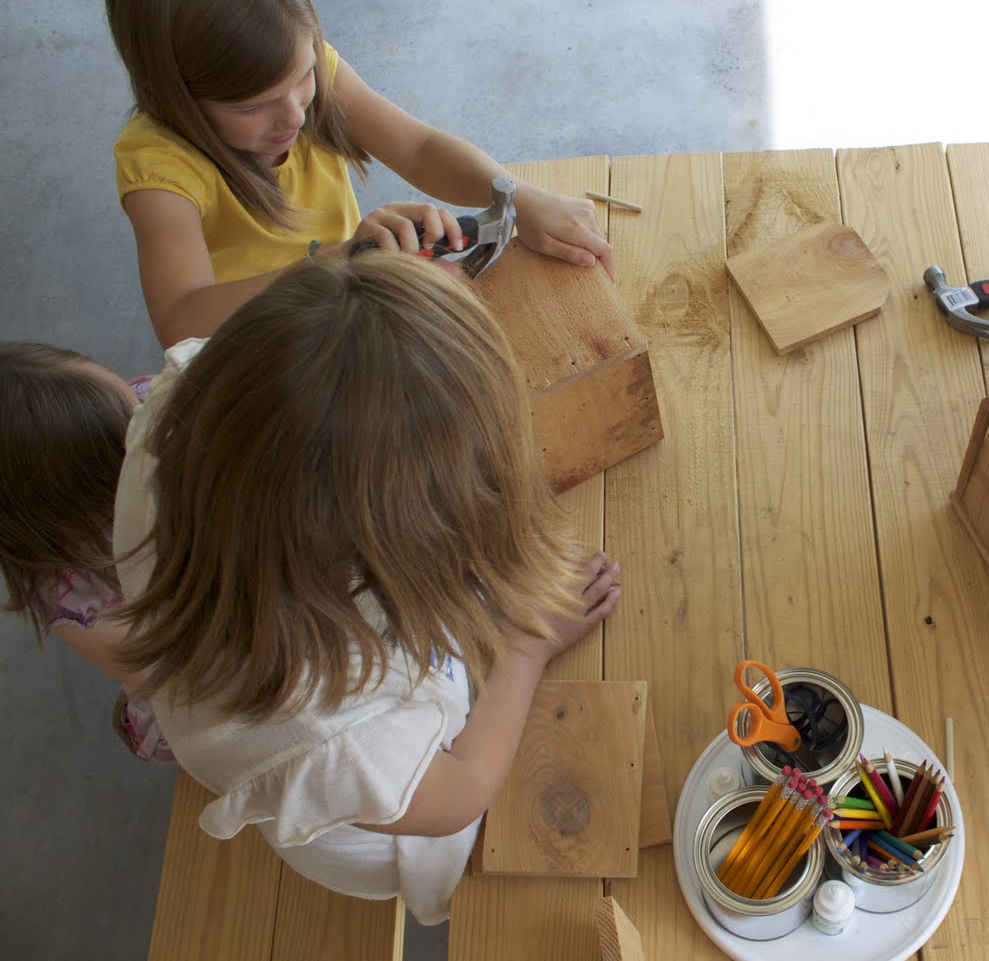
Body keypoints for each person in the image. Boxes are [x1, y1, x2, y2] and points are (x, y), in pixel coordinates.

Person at [112, 250, 621, 924]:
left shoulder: (184, 412)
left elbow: (338, 376)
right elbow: (461, 792)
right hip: (378, 826)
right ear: (381, 546)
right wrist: (526, 648)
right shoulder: (328, 727)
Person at [106, 0, 616, 348]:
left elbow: (418, 148)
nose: (295, 114)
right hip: (254, 354)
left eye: (304, 76)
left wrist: (520, 199)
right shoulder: (160, 168)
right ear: (167, 94)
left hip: (339, 305)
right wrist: (339, 260)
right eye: (252, 106)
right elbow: (181, 320)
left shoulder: (304, 78)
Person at [0, 342, 171, 762]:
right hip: (192, 675)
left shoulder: (131, 409)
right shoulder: (76, 599)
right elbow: (174, 676)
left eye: (135, 403)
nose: (146, 424)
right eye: (132, 435)